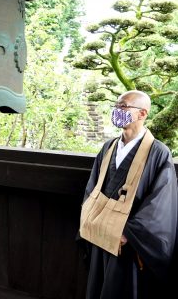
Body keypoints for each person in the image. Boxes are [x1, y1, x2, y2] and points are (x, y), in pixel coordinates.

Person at [79, 90, 178, 299]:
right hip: (99, 231)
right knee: (97, 285)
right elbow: (93, 188)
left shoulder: (158, 152)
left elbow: (160, 203)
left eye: (123, 107)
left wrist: (130, 233)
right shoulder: (109, 146)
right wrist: (90, 218)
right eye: (116, 106)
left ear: (142, 114)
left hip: (127, 240)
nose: (117, 110)